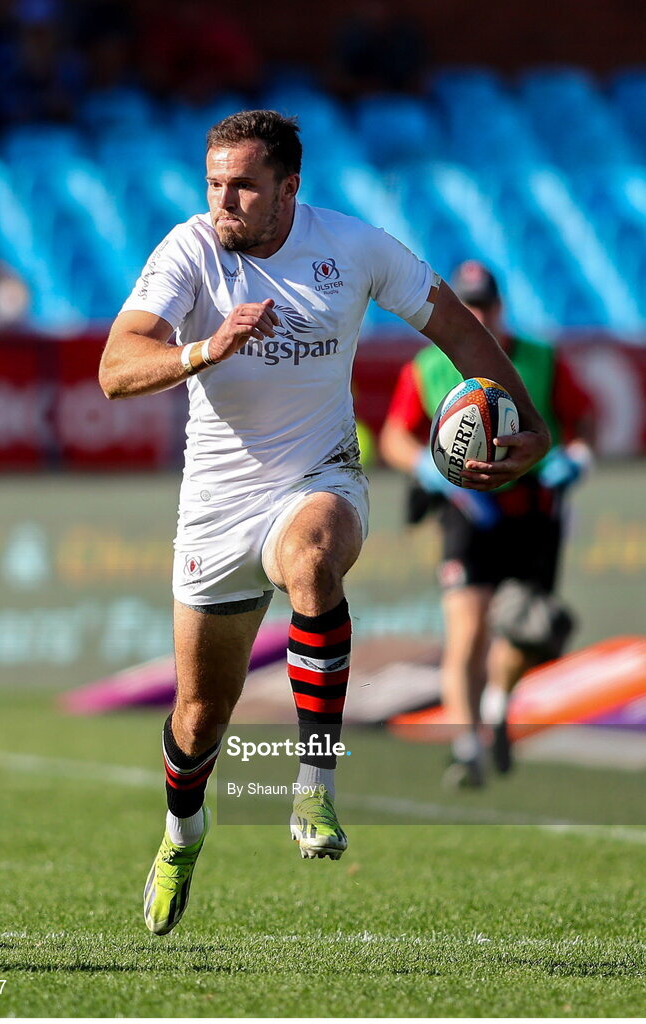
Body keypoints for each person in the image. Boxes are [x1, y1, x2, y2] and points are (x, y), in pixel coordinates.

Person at [99, 112, 550, 936]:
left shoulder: (355, 248)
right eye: (213, 184)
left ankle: (313, 783)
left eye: (241, 186)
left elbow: (453, 326)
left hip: (318, 477)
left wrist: (531, 422)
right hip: (215, 506)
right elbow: (115, 368)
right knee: (200, 718)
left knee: (314, 559)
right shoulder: (188, 251)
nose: (223, 202)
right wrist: (205, 349)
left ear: (288, 190)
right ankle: (181, 834)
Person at [379, 260, 595, 788]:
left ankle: (498, 704)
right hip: (466, 509)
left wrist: (578, 456)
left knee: (529, 629)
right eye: (467, 305)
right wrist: (424, 467)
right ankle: (466, 745)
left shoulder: (541, 358)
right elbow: (394, 436)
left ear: (501, 307)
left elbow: (579, 418)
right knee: (467, 628)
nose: (477, 314)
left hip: (533, 506)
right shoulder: (428, 367)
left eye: (485, 304)